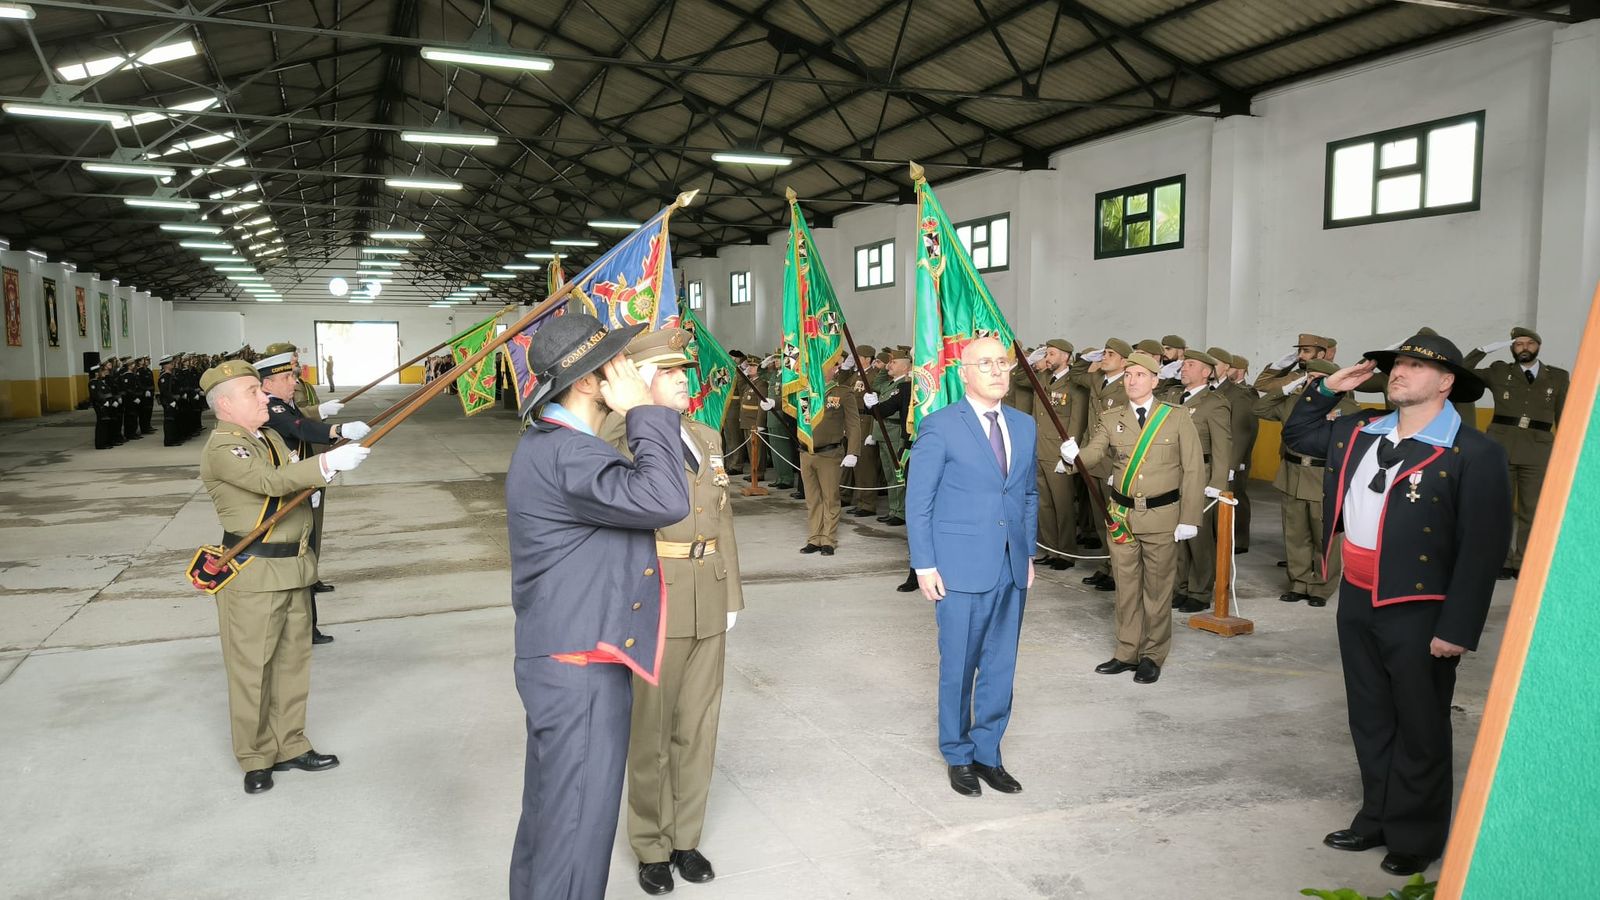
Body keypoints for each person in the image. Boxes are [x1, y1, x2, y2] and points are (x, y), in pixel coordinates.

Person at [1282, 333, 1510, 878]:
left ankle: (1417, 834)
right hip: (1357, 595)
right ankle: (1377, 817)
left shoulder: (1474, 451)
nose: (1399, 372)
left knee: (1421, 723)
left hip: (1420, 605)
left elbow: (1483, 548)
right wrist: (1326, 389)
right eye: (1397, 363)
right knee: (1369, 715)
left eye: (1414, 365)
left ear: (1447, 381)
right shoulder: (1360, 430)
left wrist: (1457, 626)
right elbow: (1300, 434)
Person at [504, 313, 690, 900]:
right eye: (619, 361)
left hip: (565, 654)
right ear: (589, 381)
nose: (634, 369)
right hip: (579, 666)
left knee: (551, 822)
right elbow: (664, 498)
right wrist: (644, 411)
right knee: (577, 834)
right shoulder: (569, 456)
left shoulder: (553, 445)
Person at [599, 328, 744, 897]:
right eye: (673, 373)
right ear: (640, 382)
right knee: (651, 731)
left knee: (699, 728)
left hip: (708, 593)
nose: (687, 380)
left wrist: (731, 595)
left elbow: (723, 519)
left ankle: (687, 839)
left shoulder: (705, 436)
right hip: (653, 597)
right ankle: (651, 845)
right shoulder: (618, 439)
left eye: (685, 372)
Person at [197, 359, 371, 793]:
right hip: (254, 575)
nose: (264, 398)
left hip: (293, 568)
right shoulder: (225, 447)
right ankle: (256, 756)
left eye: (261, 390)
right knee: (252, 670)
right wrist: (329, 464)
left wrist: (330, 442)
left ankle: (291, 743)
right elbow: (271, 482)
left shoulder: (269, 436)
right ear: (225, 404)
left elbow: (293, 473)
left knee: (293, 666)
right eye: (253, 393)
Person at [908, 336, 1036, 798]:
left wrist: (1026, 553)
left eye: (1003, 363)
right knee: (959, 665)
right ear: (963, 373)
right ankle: (958, 754)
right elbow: (918, 501)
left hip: (1009, 565)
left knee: (1001, 665)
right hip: (959, 568)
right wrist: (924, 564)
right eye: (985, 364)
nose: (998, 371)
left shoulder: (1023, 425)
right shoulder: (940, 426)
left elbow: (1025, 494)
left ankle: (988, 752)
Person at [1062, 351, 1205, 685]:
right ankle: (1126, 652)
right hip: (1122, 517)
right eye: (1128, 375)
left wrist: (1190, 517)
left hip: (1162, 517)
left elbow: (1194, 468)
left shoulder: (1176, 416)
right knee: (1126, 589)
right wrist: (1075, 458)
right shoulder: (1112, 418)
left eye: (1140, 375)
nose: (1132, 381)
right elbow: (1095, 452)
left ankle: (1153, 655)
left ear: (1155, 380)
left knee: (1156, 591)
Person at [257, 352, 369, 645]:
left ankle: (307, 628)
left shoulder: (283, 403)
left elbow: (301, 420)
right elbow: (298, 428)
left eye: (293, 375)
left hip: (304, 487)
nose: (294, 381)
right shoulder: (270, 407)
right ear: (267, 383)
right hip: (291, 491)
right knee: (297, 561)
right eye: (287, 377)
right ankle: (304, 630)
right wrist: (338, 430)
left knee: (304, 559)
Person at [1464, 327, 1570, 579]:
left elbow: (1565, 416)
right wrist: (1481, 350)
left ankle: (1524, 561)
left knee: (1531, 510)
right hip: (1501, 446)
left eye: (1529, 343)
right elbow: (1463, 371)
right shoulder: (1499, 371)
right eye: (1518, 343)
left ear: (1538, 346)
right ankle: (1500, 559)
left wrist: (1566, 452)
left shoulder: (1557, 376)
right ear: (1512, 348)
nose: (1523, 347)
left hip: (1539, 448)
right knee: (1498, 507)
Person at [1254, 359, 1358, 606]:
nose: (1313, 382)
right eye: (1309, 378)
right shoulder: (1293, 402)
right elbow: (1258, 409)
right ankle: (1299, 583)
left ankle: (1321, 587)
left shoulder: (1348, 408)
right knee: (1295, 534)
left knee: (1325, 537)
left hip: (1323, 477)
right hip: (1292, 473)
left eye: (1319, 378)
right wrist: (1290, 385)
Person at [1158, 349, 1232, 612]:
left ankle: (1200, 591)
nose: (1183, 368)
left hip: (1201, 472)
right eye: (1184, 364)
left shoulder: (1215, 402)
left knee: (1198, 537)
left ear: (1206, 372)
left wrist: (1218, 482)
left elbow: (1223, 445)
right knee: (1176, 534)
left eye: (1190, 364)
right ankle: (1180, 586)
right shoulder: (1173, 396)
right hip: (1173, 472)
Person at [1071, 338, 1133, 592]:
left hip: (1112, 457)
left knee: (1115, 518)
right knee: (1100, 518)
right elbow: (1076, 373)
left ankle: (1119, 569)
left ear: (1124, 362)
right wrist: (1090, 358)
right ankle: (1107, 565)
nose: (1104, 357)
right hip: (1092, 454)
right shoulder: (1097, 379)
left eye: (1110, 354)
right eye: (1103, 353)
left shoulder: (1126, 385)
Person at [796, 360, 864, 555]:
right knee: (812, 499)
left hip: (829, 454)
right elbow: (803, 418)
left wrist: (853, 451)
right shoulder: (805, 391)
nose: (812, 368)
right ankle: (814, 538)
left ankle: (828, 539)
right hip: (806, 453)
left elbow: (853, 424)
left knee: (830, 498)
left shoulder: (843, 392)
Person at [1030, 339, 1083, 570]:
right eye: (1047, 354)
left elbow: (1077, 421)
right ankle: (1051, 549)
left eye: (1052, 354)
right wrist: (1033, 360)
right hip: (1039, 449)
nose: (1048, 357)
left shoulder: (1074, 384)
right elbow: (1021, 379)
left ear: (1066, 357)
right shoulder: (1042, 378)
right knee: (1044, 505)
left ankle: (1066, 553)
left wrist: (1069, 455)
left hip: (1058, 453)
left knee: (1063, 506)